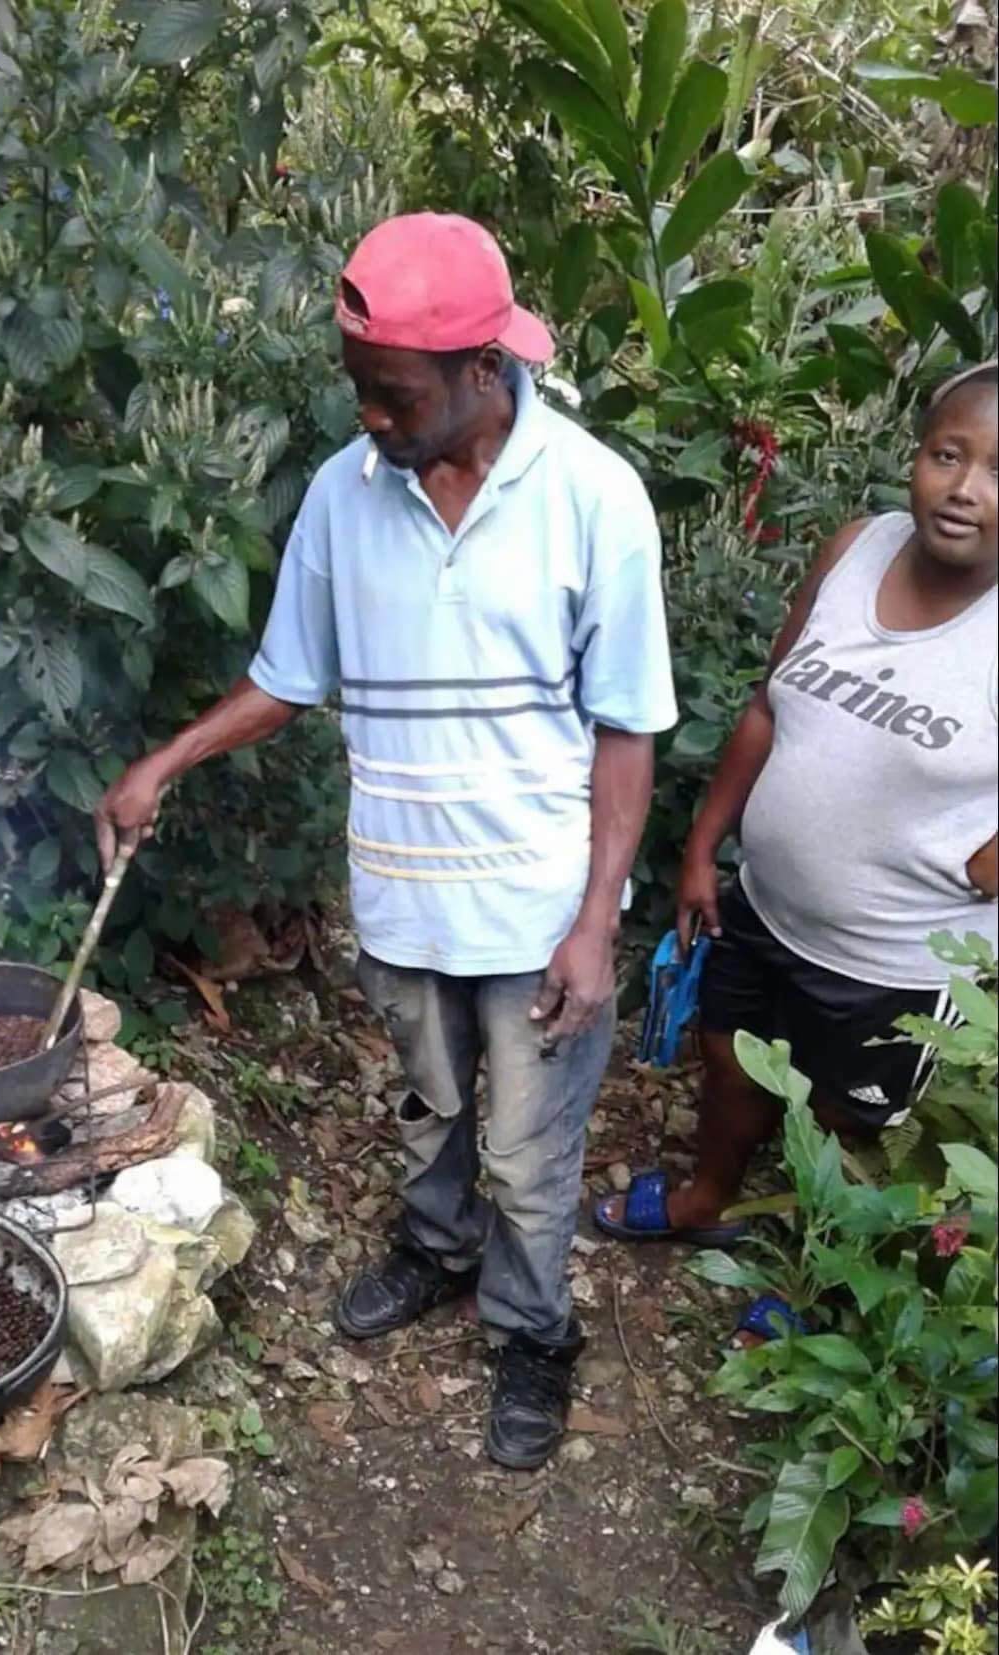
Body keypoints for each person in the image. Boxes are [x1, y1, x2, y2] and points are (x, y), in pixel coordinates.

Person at [96, 212, 677, 1469]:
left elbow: (629, 730)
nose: (368, 416)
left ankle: (533, 1331)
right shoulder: (342, 494)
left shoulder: (594, 500)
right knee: (430, 1107)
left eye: (392, 393)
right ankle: (436, 1246)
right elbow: (290, 676)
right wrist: (167, 760)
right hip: (402, 896)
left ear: (483, 369)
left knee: (530, 1155)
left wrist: (594, 924)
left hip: (535, 913)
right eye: (357, 390)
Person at [598, 361, 999, 1260]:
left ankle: (802, 1269)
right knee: (729, 1056)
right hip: (766, 906)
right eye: (949, 454)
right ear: (918, 456)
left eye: (998, 472)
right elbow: (769, 703)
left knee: (843, 1122)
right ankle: (710, 1197)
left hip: (891, 959)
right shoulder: (857, 549)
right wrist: (703, 847)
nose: (965, 489)